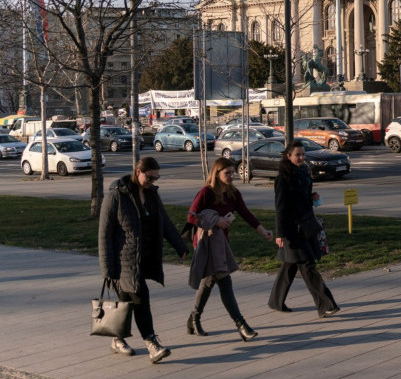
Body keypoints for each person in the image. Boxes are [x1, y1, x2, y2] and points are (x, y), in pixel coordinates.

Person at [98, 156, 189, 363]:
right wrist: (107, 270)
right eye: (149, 177)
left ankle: (117, 338)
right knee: (140, 298)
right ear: (138, 171)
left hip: (146, 256)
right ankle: (152, 344)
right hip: (125, 261)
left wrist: (179, 246)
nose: (152, 182)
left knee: (125, 301)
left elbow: (163, 221)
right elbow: (104, 235)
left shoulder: (152, 194)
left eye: (156, 178)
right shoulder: (116, 197)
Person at [186, 157, 274, 341]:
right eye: (227, 173)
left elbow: (245, 213)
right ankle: (241, 325)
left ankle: (194, 317)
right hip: (207, 244)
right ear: (216, 174)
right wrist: (215, 220)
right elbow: (191, 217)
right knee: (224, 282)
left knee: (209, 281)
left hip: (221, 244)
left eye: (233, 172)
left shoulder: (233, 193)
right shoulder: (206, 192)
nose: (232, 176)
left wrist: (262, 231)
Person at [268, 140, 340, 318]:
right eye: (297, 155)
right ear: (288, 156)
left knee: (290, 265)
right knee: (308, 265)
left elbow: (302, 198)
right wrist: (280, 234)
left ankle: (275, 301)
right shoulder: (282, 179)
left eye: (303, 154)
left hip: (306, 225)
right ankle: (326, 305)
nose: (301, 157)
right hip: (292, 230)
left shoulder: (304, 172)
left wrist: (312, 197)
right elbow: (280, 208)